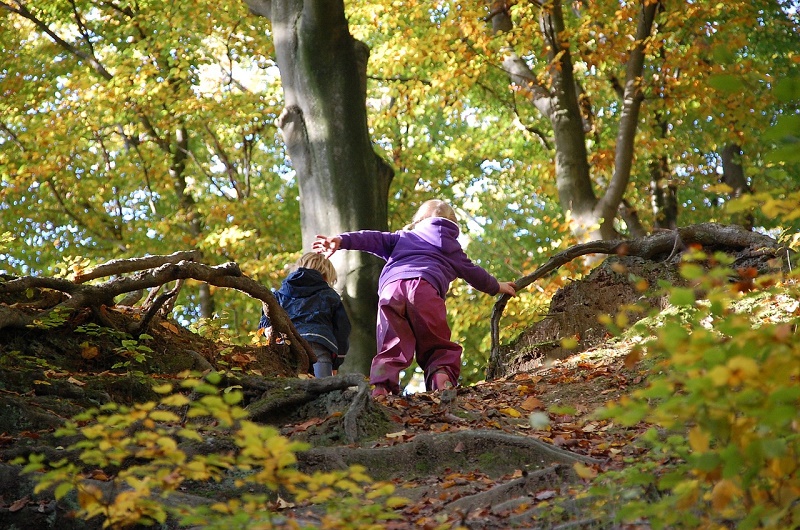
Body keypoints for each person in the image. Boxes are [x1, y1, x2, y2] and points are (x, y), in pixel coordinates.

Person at [312, 199, 516, 396]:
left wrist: (341, 240)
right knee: (437, 344)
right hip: (425, 290)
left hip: (391, 291)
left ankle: (382, 389)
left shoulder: (402, 237)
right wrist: (497, 286)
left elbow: (371, 238)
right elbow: (474, 273)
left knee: (391, 345)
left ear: (417, 221)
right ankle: (441, 381)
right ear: (453, 225)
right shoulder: (452, 248)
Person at [259, 252, 351, 378]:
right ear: (325, 275)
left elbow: (267, 317)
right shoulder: (330, 295)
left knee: (288, 387)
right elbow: (342, 329)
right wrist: (336, 362)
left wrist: (268, 330)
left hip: (287, 342)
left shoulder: (280, 294)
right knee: (323, 389)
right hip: (318, 342)